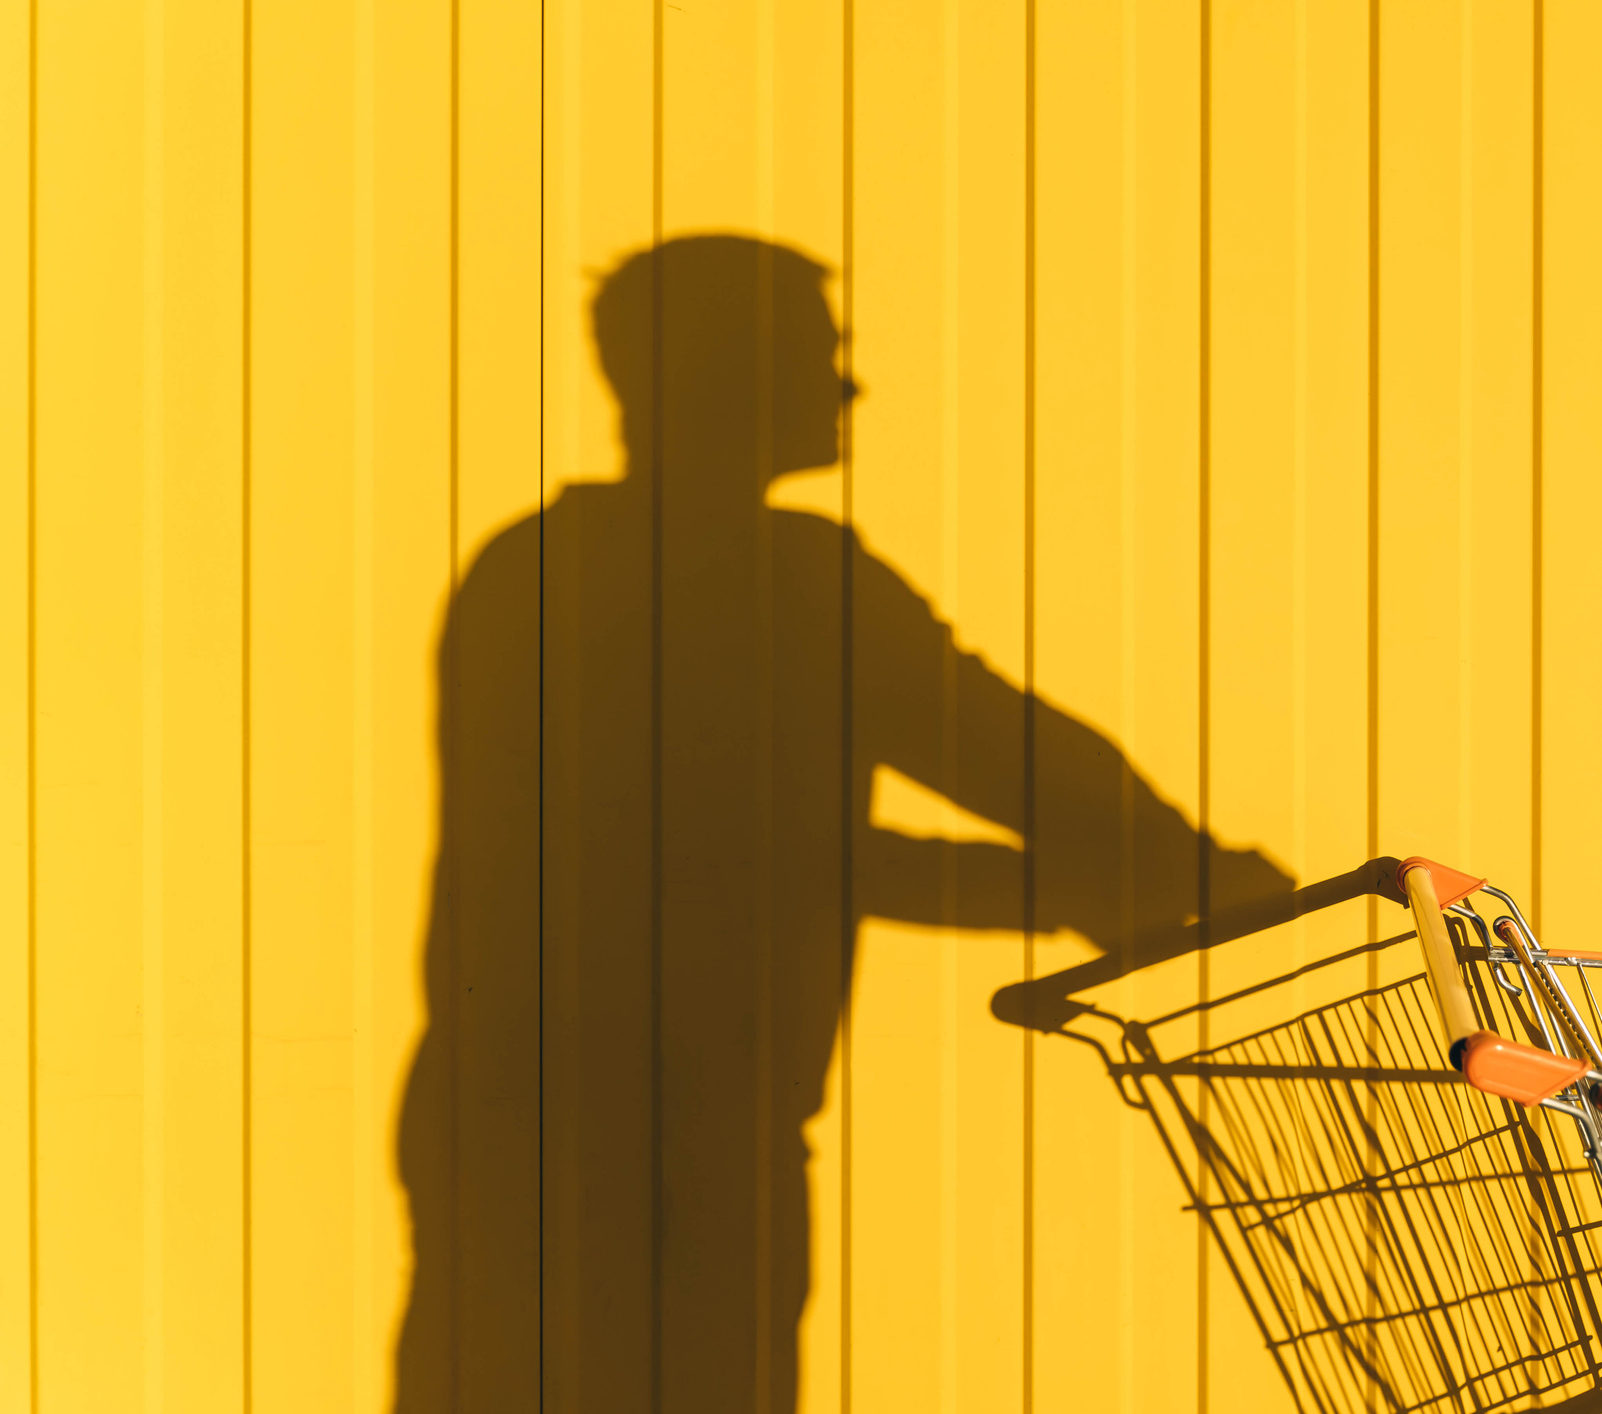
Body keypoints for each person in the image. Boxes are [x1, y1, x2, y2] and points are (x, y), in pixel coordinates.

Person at [394, 234, 1293, 1412]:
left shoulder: (533, 571)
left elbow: (938, 778)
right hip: (673, 1141)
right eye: (819, 355)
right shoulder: (781, 583)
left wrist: (1146, 872)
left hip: (510, 1119)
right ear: (729, 371)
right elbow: (951, 774)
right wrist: (1174, 872)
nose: (847, 386)